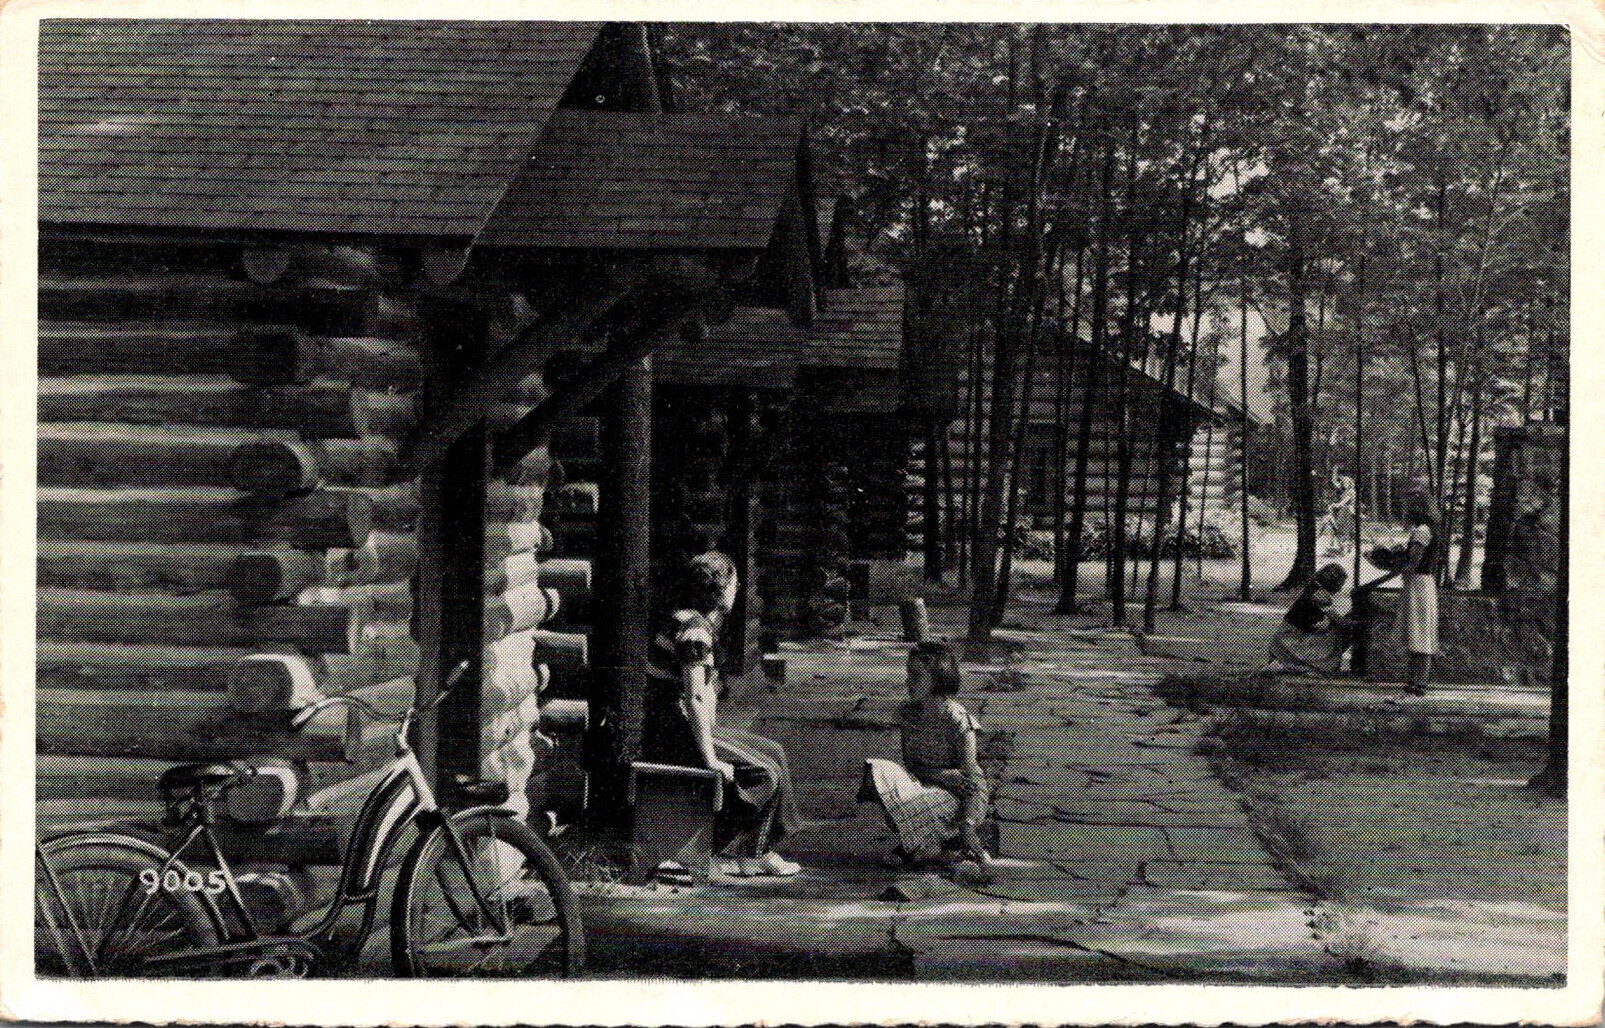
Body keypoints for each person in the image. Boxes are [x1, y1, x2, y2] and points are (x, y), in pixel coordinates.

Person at [644, 551, 801, 877]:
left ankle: (761, 849)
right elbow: (695, 697)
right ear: (719, 590)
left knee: (774, 751)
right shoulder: (694, 630)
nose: (738, 589)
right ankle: (724, 851)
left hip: (683, 724)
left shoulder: (692, 621)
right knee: (763, 774)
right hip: (674, 730)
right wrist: (710, 757)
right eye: (734, 583)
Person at [859, 641, 993, 867]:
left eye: (916, 676)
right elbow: (911, 765)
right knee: (877, 772)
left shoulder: (957, 720)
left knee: (920, 804)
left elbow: (971, 781)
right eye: (908, 675)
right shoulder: (907, 714)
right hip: (927, 783)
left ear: (938, 679)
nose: (908, 682)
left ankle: (939, 844)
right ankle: (927, 845)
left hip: (956, 795)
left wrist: (968, 822)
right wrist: (939, 775)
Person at [1500, 473, 1560, 690]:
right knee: (1522, 625)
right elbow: (1513, 554)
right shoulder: (1522, 526)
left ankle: (1542, 669)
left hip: (1543, 585)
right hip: (1526, 584)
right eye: (1519, 498)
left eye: (1527, 498)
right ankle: (1528, 670)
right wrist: (1514, 577)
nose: (1521, 502)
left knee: (1542, 625)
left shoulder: (1550, 523)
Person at [1266, 563, 1357, 676]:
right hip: (1289, 639)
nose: (1341, 588)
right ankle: (1319, 665)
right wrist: (1361, 622)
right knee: (1341, 633)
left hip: (1282, 638)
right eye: (1341, 584)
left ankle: (1286, 663)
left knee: (1333, 630)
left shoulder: (1313, 588)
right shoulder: (1321, 595)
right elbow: (1338, 622)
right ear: (1333, 582)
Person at [1396, 486, 1441, 695]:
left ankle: (1419, 682)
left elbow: (1413, 562)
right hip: (1422, 583)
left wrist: (1395, 561)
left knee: (1419, 633)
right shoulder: (1428, 529)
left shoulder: (1422, 531)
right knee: (1418, 633)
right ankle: (1414, 680)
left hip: (1418, 585)